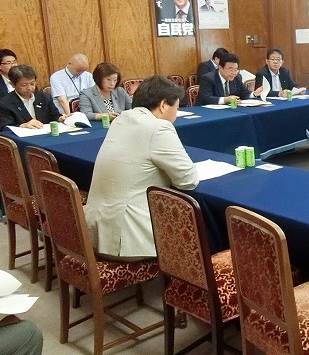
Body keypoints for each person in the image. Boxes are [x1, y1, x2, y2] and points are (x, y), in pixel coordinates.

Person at [84, 76, 199, 259]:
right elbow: (188, 181)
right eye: (176, 108)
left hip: (95, 233)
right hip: (127, 240)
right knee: (197, 233)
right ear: (163, 105)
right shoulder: (158, 127)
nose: (176, 115)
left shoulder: (121, 119)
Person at [0, 65, 66, 131]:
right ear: (12, 84)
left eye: (32, 84)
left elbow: (54, 116)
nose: (29, 88)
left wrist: (61, 118)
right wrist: (23, 125)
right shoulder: (5, 103)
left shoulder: (44, 97)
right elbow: (4, 127)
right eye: (24, 85)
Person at [196, 53, 263, 105]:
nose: (234, 73)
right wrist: (226, 100)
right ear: (220, 68)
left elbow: (243, 93)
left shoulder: (237, 77)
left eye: (236, 69)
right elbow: (206, 99)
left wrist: (254, 93)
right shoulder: (208, 78)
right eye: (230, 70)